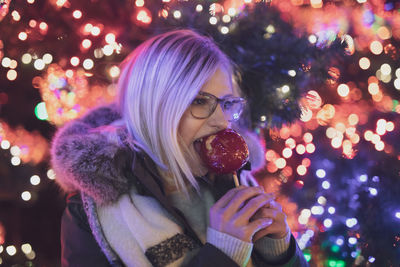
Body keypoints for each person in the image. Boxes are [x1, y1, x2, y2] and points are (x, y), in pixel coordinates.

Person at [51, 29, 308, 267]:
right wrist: (222, 256)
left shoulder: (234, 181)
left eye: (227, 103)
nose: (222, 121)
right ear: (155, 109)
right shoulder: (91, 215)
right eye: (199, 101)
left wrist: (279, 253)